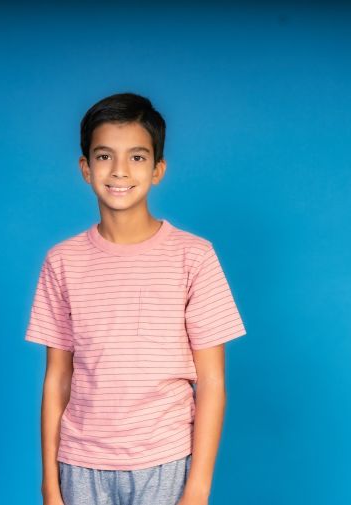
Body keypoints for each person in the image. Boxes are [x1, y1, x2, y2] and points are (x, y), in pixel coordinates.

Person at [24, 92, 247, 505]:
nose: (120, 170)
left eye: (138, 157)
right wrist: (49, 483)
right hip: (80, 463)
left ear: (158, 169)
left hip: (165, 461)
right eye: (105, 156)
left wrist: (198, 488)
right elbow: (57, 378)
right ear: (85, 168)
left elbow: (212, 381)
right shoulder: (62, 262)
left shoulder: (194, 257)